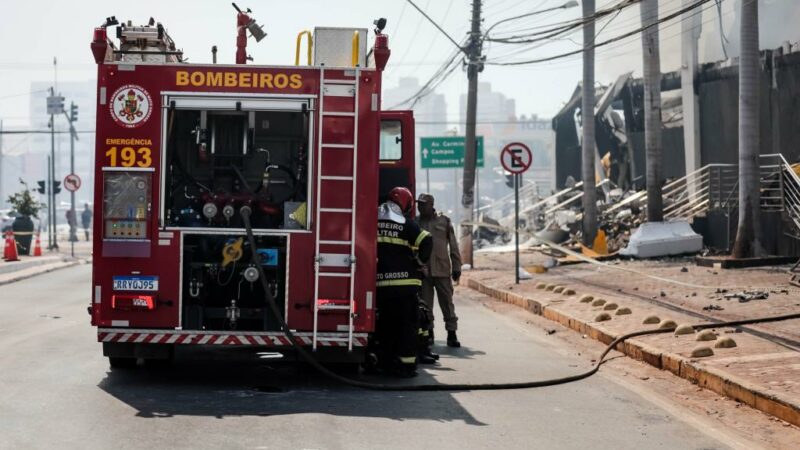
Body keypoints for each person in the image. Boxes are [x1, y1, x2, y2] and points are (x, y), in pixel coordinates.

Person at [375, 187, 432, 377]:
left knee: (386, 326)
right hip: (405, 286)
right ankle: (406, 366)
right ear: (406, 204)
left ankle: (385, 363)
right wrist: (419, 262)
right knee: (407, 326)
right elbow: (427, 240)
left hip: (382, 286)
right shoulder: (405, 223)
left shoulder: (372, 219)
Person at [415, 193, 462, 348]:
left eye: (423, 204)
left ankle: (452, 334)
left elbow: (453, 246)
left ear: (431, 205)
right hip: (424, 272)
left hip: (442, 270)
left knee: (447, 303)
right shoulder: (415, 223)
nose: (420, 207)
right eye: (419, 204)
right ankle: (429, 335)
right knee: (425, 305)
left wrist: (457, 266)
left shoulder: (444, 221)